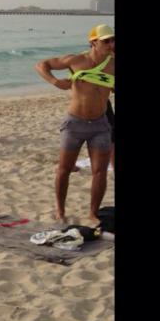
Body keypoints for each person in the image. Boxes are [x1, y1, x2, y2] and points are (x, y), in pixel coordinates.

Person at [34, 24, 115, 224]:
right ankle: (60, 211)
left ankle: (93, 213)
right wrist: (55, 82)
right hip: (75, 124)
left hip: (100, 125)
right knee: (64, 169)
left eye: (113, 40)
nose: (111, 44)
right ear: (93, 42)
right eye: (106, 41)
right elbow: (41, 65)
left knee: (100, 172)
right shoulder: (76, 60)